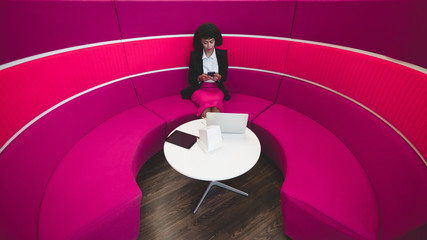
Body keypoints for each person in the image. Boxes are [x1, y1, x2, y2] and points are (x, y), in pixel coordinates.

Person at [181, 23, 230, 118]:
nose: (209, 45)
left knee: (216, 105)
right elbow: (191, 79)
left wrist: (219, 78)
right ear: (200, 42)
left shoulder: (222, 55)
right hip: (200, 89)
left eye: (211, 41)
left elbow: (224, 77)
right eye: (205, 42)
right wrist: (199, 78)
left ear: (216, 40)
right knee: (205, 104)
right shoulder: (195, 56)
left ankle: (215, 131)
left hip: (216, 89)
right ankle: (205, 131)